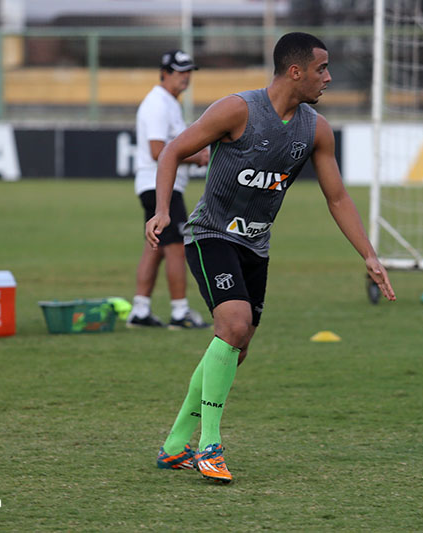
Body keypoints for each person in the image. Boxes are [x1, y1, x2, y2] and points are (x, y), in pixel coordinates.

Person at [146, 32, 396, 483]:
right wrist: (163, 209)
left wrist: (369, 255)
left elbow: (337, 197)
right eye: (322, 69)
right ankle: (209, 446)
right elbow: (172, 153)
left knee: (236, 346)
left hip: (256, 247)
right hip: (211, 235)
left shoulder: (316, 130)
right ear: (295, 72)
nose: (328, 77)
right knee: (234, 324)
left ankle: (174, 444)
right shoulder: (237, 110)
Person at [127, 49, 211, 329]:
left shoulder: (169, 103)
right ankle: (179, 312)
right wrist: (196, 157)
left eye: (188, 72)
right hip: (160, 185)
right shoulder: (158, 103)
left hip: (154, 184)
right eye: (179, 72)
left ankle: (140, 310)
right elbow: (157, 151)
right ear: (164, 73)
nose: (185, 77)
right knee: (176, 247)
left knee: (155, 247)